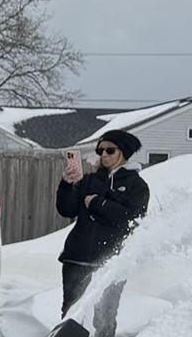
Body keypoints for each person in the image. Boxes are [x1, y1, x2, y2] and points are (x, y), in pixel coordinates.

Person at [57, 129, 150, 312]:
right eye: (100, 151)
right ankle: (69, 333)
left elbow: (132, 218)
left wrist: (98, 203)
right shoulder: (89, 181)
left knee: (105, 315)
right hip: (78, 258)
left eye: (110, 150)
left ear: (124, 152)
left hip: (112, 262)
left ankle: (100, 334)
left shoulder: (137, 186)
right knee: (71, 310)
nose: (104, 155)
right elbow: (67, 210)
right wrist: (67, 185)